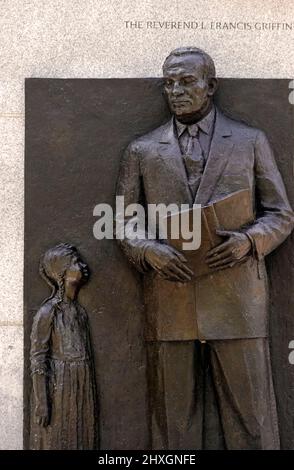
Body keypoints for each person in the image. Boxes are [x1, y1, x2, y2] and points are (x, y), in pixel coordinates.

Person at [116, 47, 294, 449]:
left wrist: (249, 241)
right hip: (170, 295)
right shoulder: (142, 150)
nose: (176, 91)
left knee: (252, 420)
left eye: (186, 81)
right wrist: (147, 251)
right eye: (169, 83)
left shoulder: (250, 141)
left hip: (236, 297)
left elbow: (281, 214)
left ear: (210, 86)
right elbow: (124, 222)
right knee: (172, 425)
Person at [30, 243, 98, 450]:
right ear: (62, 273)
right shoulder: (48, 312)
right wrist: (42, 401)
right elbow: (38, 359)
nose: (83, 266)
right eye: (76, 263)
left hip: (82, 379)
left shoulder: (79, 311)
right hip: (61, 382)